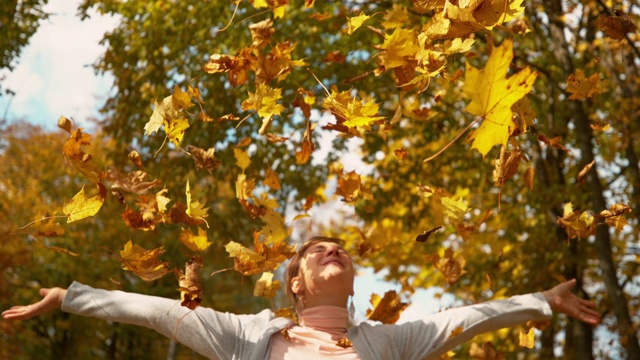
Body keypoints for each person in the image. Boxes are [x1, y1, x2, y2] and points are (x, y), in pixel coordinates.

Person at [2, 236, 600, 359]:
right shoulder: (247, 336)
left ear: (354, 277)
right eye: (316, 251)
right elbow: (156, 311)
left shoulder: (388, 341)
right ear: (295, 282)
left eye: (340, 248)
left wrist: (541, 300)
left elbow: (462, 320)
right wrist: (69, 297)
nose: (331, 251)